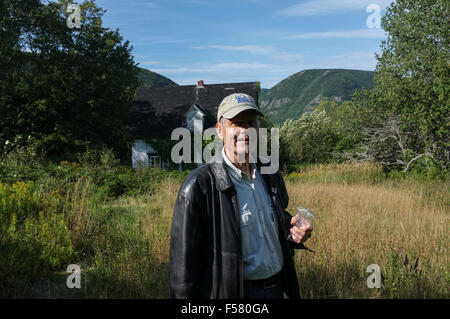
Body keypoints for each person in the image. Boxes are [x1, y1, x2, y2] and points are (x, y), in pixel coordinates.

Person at [169, 93, 313, 299]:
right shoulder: (199, 186)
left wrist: (294, 234)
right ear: (220, 130)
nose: (245, 130)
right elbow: (183, 271)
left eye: (251, 122)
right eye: (236, 123)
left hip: (277, 288)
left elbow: (273, 228)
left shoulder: (270, 174)